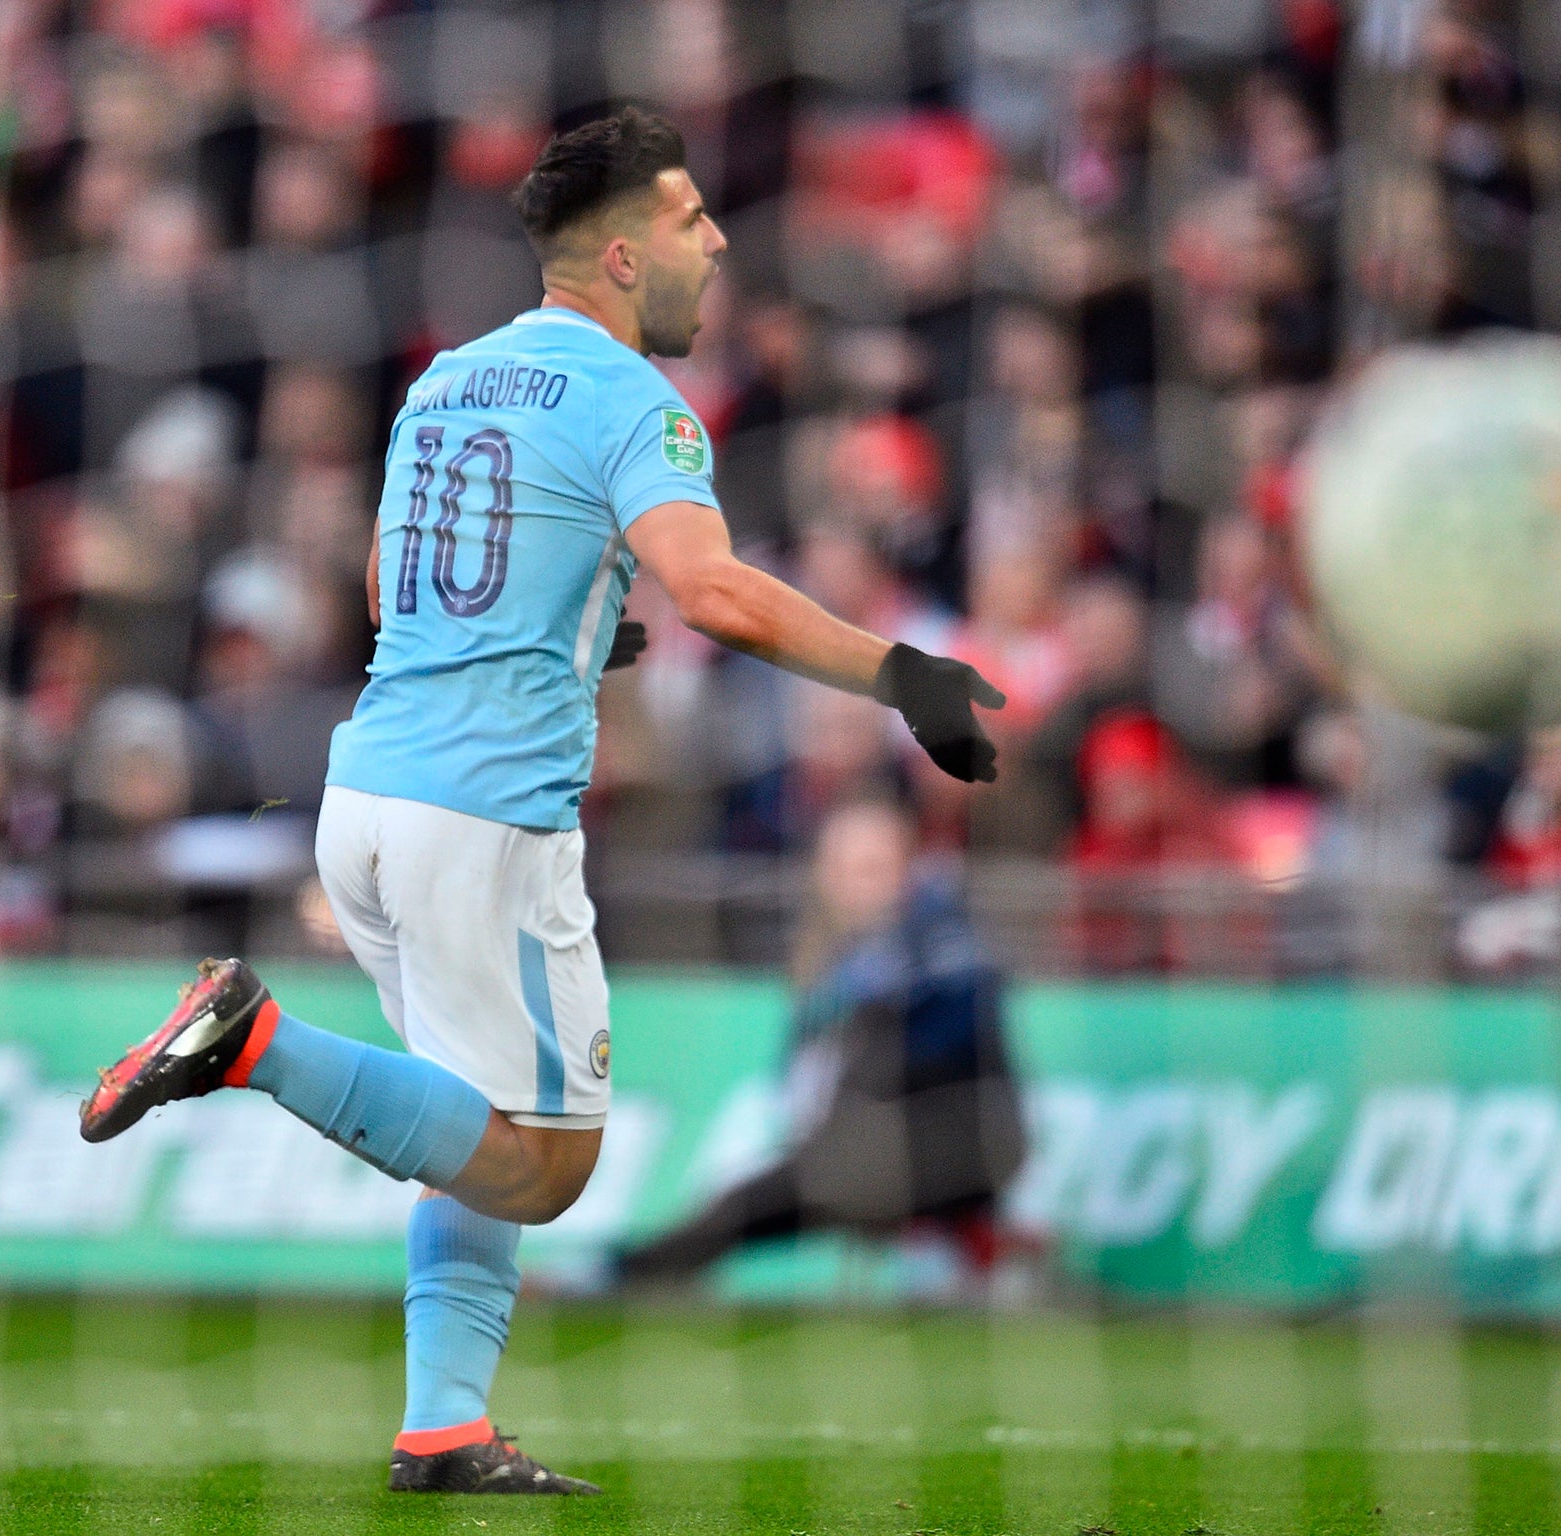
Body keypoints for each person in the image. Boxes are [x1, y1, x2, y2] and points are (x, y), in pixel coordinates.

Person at [75, 108, 1004, 1498]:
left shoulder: (446, 381)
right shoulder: (638, 403)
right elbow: (716, 592)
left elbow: (405, 593)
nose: (720, 239)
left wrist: (575, 622)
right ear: (623, 255)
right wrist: (899, 674)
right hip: (487, 825)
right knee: (546, 1170)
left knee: (472, 1126)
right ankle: (252, 1038)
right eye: (694, 219)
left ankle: (443, 1422)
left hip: (369, 798)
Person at [614, 797, 1025, 1285]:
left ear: (907, 869)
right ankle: (984, 1254)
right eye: (845, 870)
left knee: (754, 1205)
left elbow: (947, 1044)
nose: (859, 886)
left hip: (950, 1145)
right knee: (757, 1200)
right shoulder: (843, 968)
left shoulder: (941, 945)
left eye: (874, 868)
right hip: (876, 1153)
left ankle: (627, 1273)